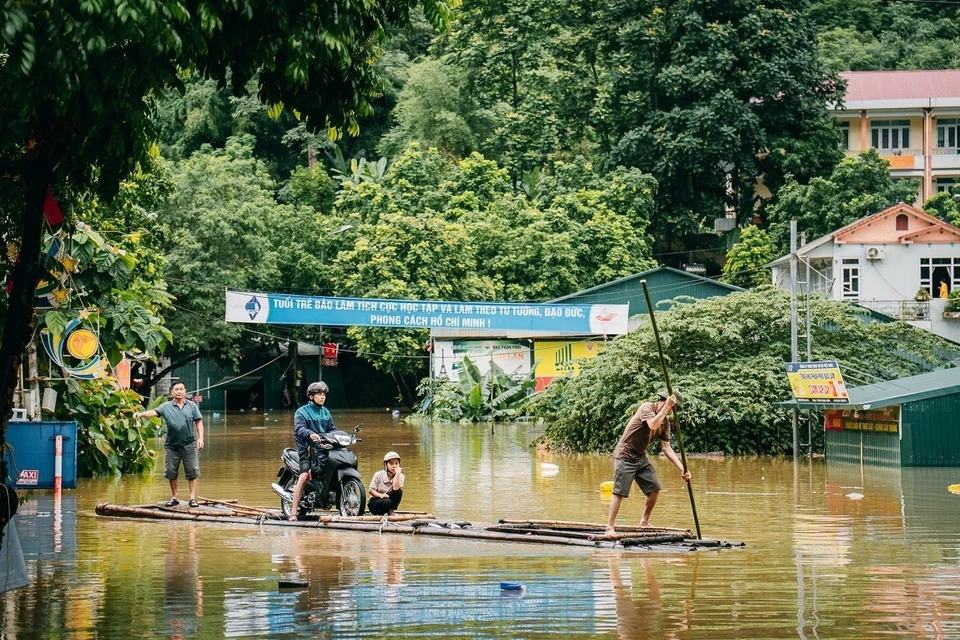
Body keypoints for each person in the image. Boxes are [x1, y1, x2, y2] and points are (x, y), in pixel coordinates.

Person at [605, 391, 690, 537]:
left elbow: (666, 448)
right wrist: (666, 408)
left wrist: (683, 469)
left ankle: (644, 522)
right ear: (665, 401)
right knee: (619, 492)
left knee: (654, 488)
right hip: (625, 454)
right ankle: (609, 528)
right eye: (672, 408)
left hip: (640, 457)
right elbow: (652, 424)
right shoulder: (647, 407)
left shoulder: (666, 422)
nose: (671, 412)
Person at [134, 381, 204, 508]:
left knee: (192, 470)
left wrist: (201, 438)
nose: (179, 391)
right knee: (171, 471)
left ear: (185, 391)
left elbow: (198, 422)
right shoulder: (166, 406)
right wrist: (140, 415)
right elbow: (153, 413)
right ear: (172, 392)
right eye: (176, 389)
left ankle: (192, 498)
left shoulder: (192, 406)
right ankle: (175, 497)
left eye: (181, 389)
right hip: (172, 445)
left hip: (189, 444)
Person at [289, 381, 336, 521]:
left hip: (323, 449)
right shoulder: (301, 412)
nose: (322, 397)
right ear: (311, 396)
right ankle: (293, 512)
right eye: (319, 394)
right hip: (307, 450)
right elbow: (299, 429)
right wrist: (310, 434)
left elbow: (332, 430)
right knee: (303, 476)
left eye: (324, 394)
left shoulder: (325, 412)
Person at [368, 451, 404, 516]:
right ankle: (380, 514)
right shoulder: (378, 475)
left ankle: (391, 511)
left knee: (399, 492)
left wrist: (397, 474)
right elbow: (371, 490)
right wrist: (381, 495)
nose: (394, 466)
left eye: (396, 463)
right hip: (375, 501)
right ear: (386, 464)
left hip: (388, 499)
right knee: (386, 501)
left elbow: (396, 488)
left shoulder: (400, 476)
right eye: (391, 463)